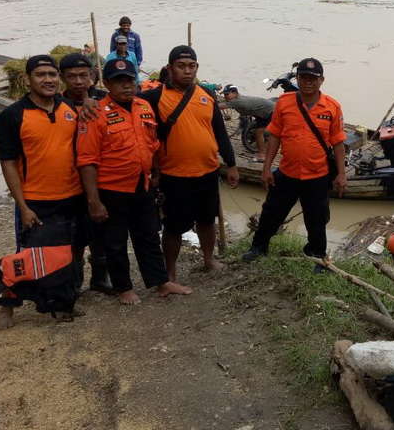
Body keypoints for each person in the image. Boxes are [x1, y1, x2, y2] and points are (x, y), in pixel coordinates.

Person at [77, 59, 192, 305]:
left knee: (148, 236)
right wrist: (93, 200)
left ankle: (161, 282)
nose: (126, 86)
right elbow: (87, 160)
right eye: (119, 81)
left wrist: (157, 173)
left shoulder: (144, 107)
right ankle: (123, 288)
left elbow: (153, 144)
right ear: (107, 84)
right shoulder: (94, 113)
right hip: (111, 189)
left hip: (143, 185)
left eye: (130, 80)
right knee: (115, 242)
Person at [0, 55, 84, 329]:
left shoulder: (69, 108)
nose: (48, 80)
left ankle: (60, 304)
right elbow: (8, 162)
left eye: (53, 74)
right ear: (27, 79)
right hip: (36, 200)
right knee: (26, 257)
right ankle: (7, 305)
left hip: (72, 195)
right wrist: (22, 205)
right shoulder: (13, 115)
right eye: (41, 74)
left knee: (68, 255)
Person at [140, 46, 239, 280]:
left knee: (207, 220)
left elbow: (220, 132)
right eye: (181, 66)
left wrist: (231, 164)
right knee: (173, 226)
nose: (187, 71)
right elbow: (125, 105)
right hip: (173, 175)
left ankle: (209, 259)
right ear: (170, 68)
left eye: (191, 66)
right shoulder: (152, 98)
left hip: (207, 171)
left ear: (196, 68)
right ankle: (170, 272)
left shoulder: (206, 95)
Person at [243, 58, 347, 271]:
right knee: (271, 212)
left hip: (317, 176)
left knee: (316, 219)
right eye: (303, 77)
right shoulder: (284, 102)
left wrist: (341, 175)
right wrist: (266, 168)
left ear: (322, 80)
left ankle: (317, 255)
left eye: (313, 78)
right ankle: (258, 247)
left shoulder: (332, 107)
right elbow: (275, 136)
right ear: (297, 78)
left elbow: (338, 143)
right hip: (287, 173)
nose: (308, 82)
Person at [59, 53, 112, 294]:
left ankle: (100, 279)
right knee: (75, 235)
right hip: (68, 180)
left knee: (101, 232)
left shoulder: (104, 100)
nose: (79, 81)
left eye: (84, 75)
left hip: (101, 178)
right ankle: (75, 280)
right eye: (72, 76)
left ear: (92, 76)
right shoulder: (56, 104)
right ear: (62, 78)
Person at [219, 85, 275, 160]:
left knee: (258, 132)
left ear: (235, 93)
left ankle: (262, 155)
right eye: (224, 94)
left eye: (227, 94)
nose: (225, 96)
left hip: (270, 112)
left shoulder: (238, 101)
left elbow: (219, 106)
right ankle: (265, 143)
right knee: (257, 130)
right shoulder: (237, 98)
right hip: (261, 113)